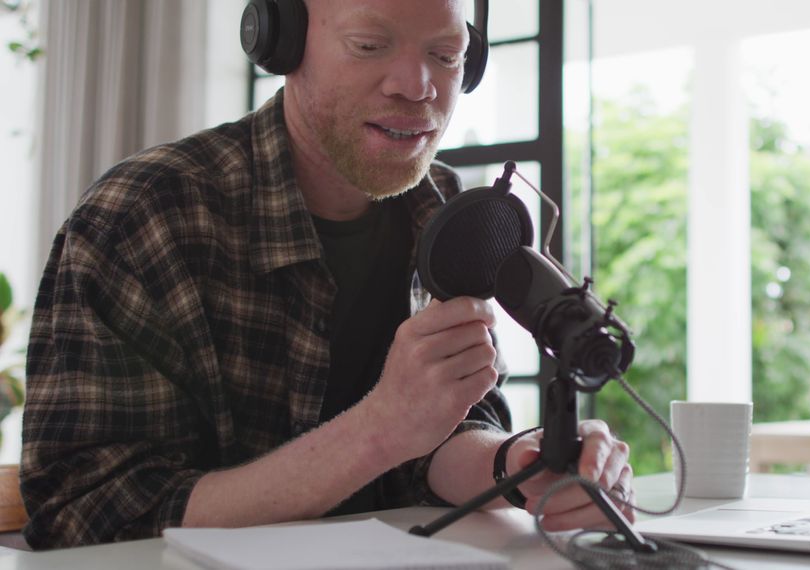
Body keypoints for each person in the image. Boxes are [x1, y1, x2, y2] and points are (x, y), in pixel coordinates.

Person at [20, 0, 633, 549]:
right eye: (369, 46)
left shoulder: (439, 205)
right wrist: (378, 430)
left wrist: (517, 464)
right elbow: (84, 510)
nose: (417, 87)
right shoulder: (144, 214)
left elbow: (442, 433)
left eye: (445, 55)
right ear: (281, 41)